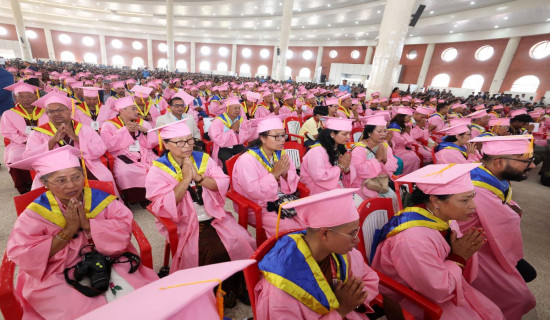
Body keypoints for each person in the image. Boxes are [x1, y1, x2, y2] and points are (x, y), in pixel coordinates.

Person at [7, 146, 158, 320]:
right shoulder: (35, 214)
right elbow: (24, 253)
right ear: (46, 184)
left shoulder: (101, 200)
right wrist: (68, 231)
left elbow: (124, 229)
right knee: (79, 311)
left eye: (76, 177)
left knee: (137, 300)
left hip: (108, 258)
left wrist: (88, 225)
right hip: (55, 271)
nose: (71, 185)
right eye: (61, 181)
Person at [372, 163, 504, 320]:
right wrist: (459, 257)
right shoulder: (412, 239)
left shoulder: (442, 217)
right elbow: (436, 291)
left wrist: (463, 252)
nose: (473, 206)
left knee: (494, 312)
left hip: (440, 286)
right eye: (465, 200)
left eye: (472, 198)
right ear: (435, 200)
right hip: (415, 299)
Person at [145, 120, 255, 306]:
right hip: (185, 222)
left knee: (242, 241)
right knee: (214, 252)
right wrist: (186, 179)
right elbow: (163, 204)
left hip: (213, 216)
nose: (187, 146)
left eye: (189, 140)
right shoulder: (158, 169)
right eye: (180, 142)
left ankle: (240, 286)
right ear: (167, 144)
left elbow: (221, 183)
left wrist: (199, 178)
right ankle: (220, 296)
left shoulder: (203, 159)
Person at [255, 188, 379, 319]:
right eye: (351, 234)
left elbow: (370, 277)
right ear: (325, 234)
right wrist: (341, 309)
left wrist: (355, 299)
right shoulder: (282, 286)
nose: (357, 240)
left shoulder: (344, 253)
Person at [462, 135, 537, 319]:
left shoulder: (490, 177)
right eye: (526, 161)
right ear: (499, 162)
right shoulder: (476, 190)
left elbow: (507, 205)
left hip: (486, 243)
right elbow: (503, 226)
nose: (532, 166)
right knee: (518, 298)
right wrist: (513, 212)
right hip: (473, 250)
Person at [23, 92, 117, 192]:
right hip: (53, 169)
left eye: (60, 110)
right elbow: (29, 157)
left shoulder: (85, 129)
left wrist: (76, 138)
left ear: (69, 110)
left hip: (85, 165)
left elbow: (100, 150)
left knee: (105, 178)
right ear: (47, 114)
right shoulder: (38, 133)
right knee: (43, 189)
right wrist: (52, 141)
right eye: (51, 111)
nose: (56, 113)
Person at [232, 116, 303, 238]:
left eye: (283, 135)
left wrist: (285, 175)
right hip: (257, 205)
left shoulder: (282, 153)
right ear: (263, 138)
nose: (282, 140)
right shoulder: (247, 160)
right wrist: (275, 174)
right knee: (289, 230)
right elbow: (253, 190)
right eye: (277, 136)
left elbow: (292, 178)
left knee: (308, 220)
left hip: (281, 198)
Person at [100, 96, 158, 205]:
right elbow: (108, 146)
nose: (137, 111)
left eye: (136, 108)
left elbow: (153, 143)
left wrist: (146, 132)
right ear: (122, 110)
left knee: (159, 166)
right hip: (123, 156)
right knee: (125, 172)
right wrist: (125, 130)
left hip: (145, 154)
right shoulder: (108, 125)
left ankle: (154, 194)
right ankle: (138, 198)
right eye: (133, 109)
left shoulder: (142, 122)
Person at [1, 82, 48, 193]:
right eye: (21, 96)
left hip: (44, 141)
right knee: (14, 156)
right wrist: (25, 141)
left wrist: (40, 142)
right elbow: (9, 133)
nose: (25, 99)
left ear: (35, 96)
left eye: (28, 96)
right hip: (20, 143)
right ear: (16, 98)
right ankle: (25, 185)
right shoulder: (8, 114)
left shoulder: (45, 112)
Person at [344, 115, 399, 210]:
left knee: (393, 197)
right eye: (379, 131)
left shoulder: (384, 146)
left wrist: (385, 160)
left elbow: (393, 166)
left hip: (380, 182)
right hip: (362, 183)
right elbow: (358, 170)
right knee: (378, 202)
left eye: (385, 131)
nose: (383, 134)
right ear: (369, 133)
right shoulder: (359, 148)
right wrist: (377, 159)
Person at [300, 117, 355, 195]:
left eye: (349, 133)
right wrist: (340, 167)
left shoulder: (340, 147)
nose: (348, 137)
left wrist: (346, 169)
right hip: (320, 191)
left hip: (336, 186)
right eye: (344, 134)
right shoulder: (316, 152)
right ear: (332, 134)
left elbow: (345, 170)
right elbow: (320, 178)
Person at [209, 97, 254, 172]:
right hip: (223, 147)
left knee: (248, 156)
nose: (237, 110)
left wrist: (238, 131)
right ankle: (228, 179)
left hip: (237, 145)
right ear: (227, 109)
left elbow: (246, 135)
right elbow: (217, 139)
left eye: (239, 108)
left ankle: (243, 176)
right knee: (229, 161)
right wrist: (232, 130)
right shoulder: (218, 121)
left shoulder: (240, 120)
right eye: (235, 108)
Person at [386, 107, 421, 174]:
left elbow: (409, 139)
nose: (410, 119)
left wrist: (406, 132)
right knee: (413, 158)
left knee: (415, 157)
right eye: (408, 117)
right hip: (396, 149)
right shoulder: (394, 126)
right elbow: (400, 141)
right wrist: (406, 133)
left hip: (402, 148)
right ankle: (406, 176)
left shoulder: (402, 124)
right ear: (402, 117)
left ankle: (412, 176)